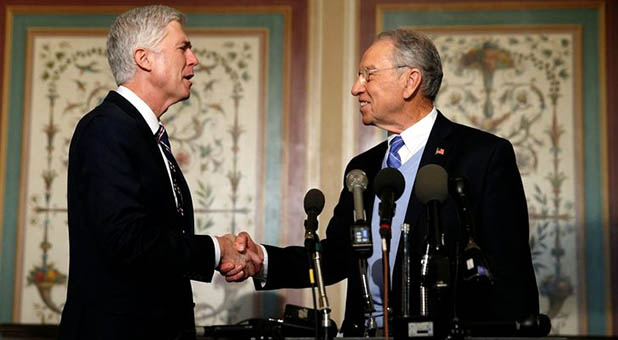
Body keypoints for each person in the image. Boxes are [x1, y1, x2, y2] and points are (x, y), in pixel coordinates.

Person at [228, 29, 539, 335]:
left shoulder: (482, 157)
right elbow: (336, 257)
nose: (355, 88)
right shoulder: (362, 168)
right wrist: (263, 260)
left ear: (410, 81)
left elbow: (510, 271)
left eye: (368, 74)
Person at [58, 5, 263, 340]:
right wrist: (216, 250)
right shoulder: (106, 129)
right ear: (144, 58)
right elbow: (127, 240)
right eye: (183, 47)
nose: (194, 59)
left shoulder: (143, 135)